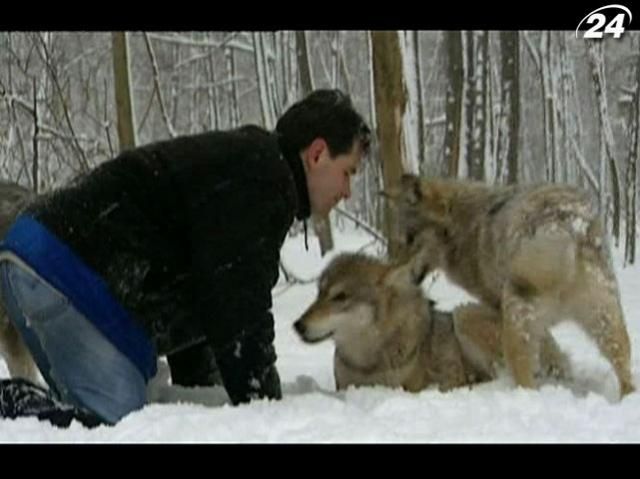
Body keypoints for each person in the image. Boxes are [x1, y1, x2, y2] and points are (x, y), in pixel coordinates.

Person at [0, 89, 371, 427]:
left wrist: (201, 393)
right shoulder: (265, 181)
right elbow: (238, 310)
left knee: (144, 408)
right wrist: (270, 414)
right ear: (318, 153)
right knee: (123, 426)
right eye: (347, 172)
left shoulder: (248, 167)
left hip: (41, 256)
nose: (348, 192)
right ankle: (11, 407)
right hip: (63, 269)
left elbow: (204, 293)